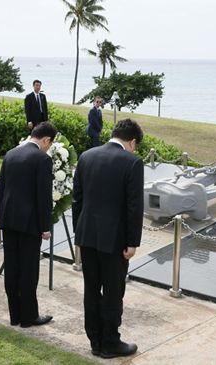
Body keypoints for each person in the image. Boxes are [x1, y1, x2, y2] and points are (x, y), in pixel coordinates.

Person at [72, 118, 144, 359]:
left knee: (91, 289)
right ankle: (110, 342)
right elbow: (135, 207)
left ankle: (95, 340)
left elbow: (77, 200)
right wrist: (133, 242)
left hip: (87, 235)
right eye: (136, 145)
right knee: (113, 291)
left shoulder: (87, 156)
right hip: (115, 240)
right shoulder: (132, 162)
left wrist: (79, 231)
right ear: (132, 141)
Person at [0, 122, 57, 328]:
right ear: (46, 140)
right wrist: (45, 226)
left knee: (12, 268)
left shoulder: (11, 154)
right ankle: (29, 316)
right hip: (30, 223)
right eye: (49, 144)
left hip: (9, 220)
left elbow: (1, 189)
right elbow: (43, 196)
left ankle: (15, 315)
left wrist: (0, 219)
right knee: (29, 271)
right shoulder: (42, 159)